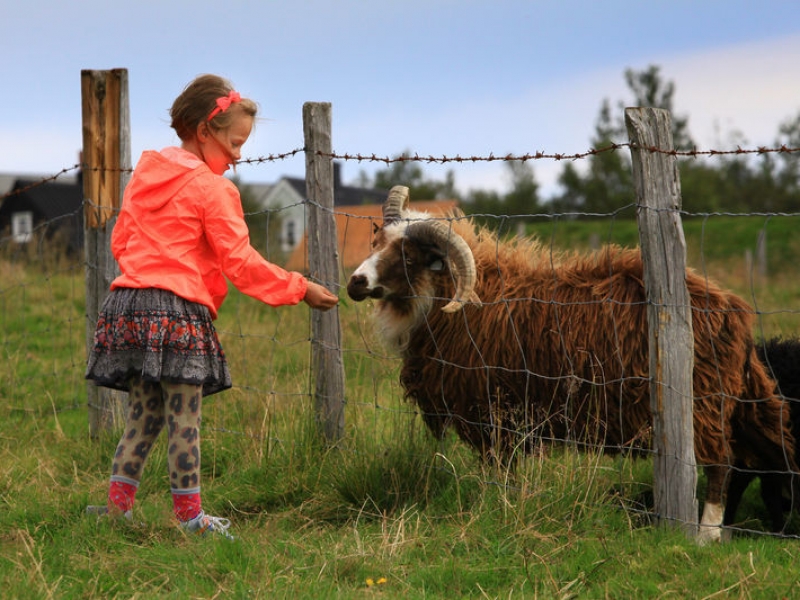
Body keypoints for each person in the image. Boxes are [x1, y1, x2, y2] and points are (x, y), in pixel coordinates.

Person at [85, 74, 339, 539]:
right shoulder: (214, 190)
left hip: (128, 302)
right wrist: (299, 287)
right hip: (177, 311)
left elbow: (121, 240)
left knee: (143, 414)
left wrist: (149, 274)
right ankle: (190, 520)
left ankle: (116, 510)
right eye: (234, 143)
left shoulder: (145, 173)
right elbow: (239, 262)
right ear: (205, 131)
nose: (239, 155)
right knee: (184, 415)